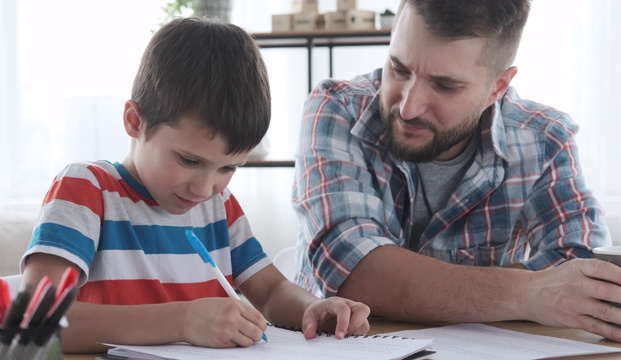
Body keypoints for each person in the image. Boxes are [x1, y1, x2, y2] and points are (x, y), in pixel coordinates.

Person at [292, 0, 621, 344]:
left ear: (497, 87)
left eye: (444, 86)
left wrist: (415, 284)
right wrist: (528, 293)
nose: (409, 107)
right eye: (399, 68)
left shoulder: (545, 139)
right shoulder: (336, 107)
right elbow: (354, 271)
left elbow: (582, 276)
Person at [19, 17, 370, 353]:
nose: (204, 189)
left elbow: (272, 291)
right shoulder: (86, 191)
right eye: (189, 161)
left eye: (228, 167)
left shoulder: (220, 208)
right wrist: (183, 320)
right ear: (134, 121)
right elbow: (36, 322)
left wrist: (314, 307)